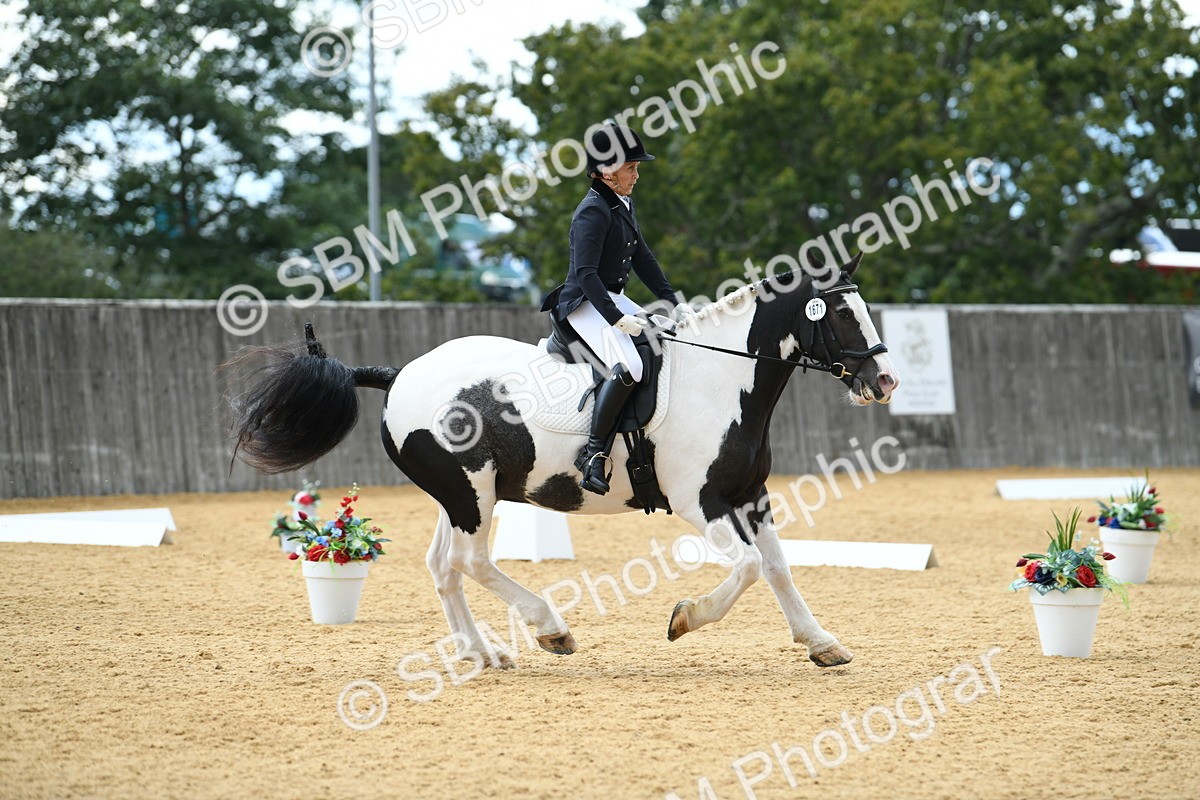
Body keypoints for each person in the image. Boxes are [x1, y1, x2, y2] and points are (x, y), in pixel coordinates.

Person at [541, 123, 696, 496]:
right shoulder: (592, 212)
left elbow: (643, 258)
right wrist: (617, 318)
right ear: (608, 171)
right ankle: (593, 455)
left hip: (611, 295)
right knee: (630, 366)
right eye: (632, 168)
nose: (637, 175)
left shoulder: (620, 203)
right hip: (583, 303)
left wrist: (674, 302)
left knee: (665, 340)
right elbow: (586, 274)